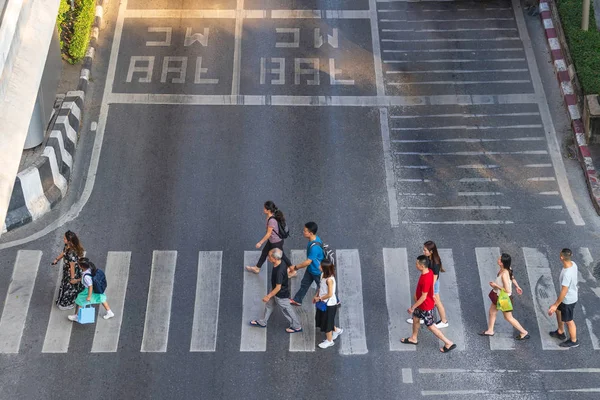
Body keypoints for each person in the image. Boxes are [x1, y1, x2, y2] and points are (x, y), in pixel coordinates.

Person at [401, 255, 456, 353]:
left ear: (422, 266)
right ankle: (414, 338)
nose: (415, 265)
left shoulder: (425, 279)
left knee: (430, 326)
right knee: (416, 318)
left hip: (425, 306)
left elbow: (423, 297)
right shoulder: (429, 272)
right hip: (421, 305)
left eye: (417, 264)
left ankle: (448, 343)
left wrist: (413, 307)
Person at [478, 253, 529, 340]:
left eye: (499, 259)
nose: (497, 260)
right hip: (498, 296)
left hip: (504, 299)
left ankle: (524, 332)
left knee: (508, 317)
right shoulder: (507, 268)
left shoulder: (504, 274)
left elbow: (507, 290)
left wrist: (495, 285)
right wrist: (517, 286)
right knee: (492, 312)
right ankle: (490, 330)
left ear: (502, 263)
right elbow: (512, 277)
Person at [249, 249, 302, 333]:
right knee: (269, 305)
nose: (267, 257)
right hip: (274, 290)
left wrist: (268, 296)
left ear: (275, 258)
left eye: (269, 256)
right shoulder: (282, 261)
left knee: (286, 310)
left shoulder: (279, 272)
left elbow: (278, 288)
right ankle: (263, 322)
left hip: (281, 295)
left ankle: (296, 326)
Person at [406, 241, 448, 328]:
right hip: (428, 282)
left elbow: (434, 278)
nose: (423, 251)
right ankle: (420, 316)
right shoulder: (428, 258)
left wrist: (430, 290)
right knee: (417, 297)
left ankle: (444, 321)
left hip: (433, 283)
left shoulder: (435, 263)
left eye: (425, 250)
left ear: (431, 251)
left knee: (436, 301)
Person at [246, 201, 292, 274]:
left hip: (276, 242)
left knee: (282, 256)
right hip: (272, 241)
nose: (263, 209)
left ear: (268, 210)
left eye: (264, 208)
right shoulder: (272, 216)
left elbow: (268, 234)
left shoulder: (272, 220)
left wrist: (260, 243)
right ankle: (257, 268)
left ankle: (292, 269)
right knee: (264, 252)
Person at [548, 248, 579, 348]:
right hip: (569, 297)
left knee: (569, 320)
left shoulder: (567, 274)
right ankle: (560, 332)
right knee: (558, 311)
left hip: (568, 300)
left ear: (561, 257)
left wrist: (555, 304)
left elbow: (564, 291)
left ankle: (574, 341)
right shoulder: (573, 264)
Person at [288, 222, 324, 306]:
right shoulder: (315, 239)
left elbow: (308, 262)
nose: (303, 232)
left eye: (305, 231)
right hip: (311, 269)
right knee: (304, 284)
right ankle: (297, 300)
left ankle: (334, 299)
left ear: (310, 233)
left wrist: (295, 267)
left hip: (317, 271)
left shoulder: (315, 247)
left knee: (323, 287)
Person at [68, 258, 114, 322]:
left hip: (89, 291)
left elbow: (90, 286)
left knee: (81, 300)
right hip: (96, 289)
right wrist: (77, 280)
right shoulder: (89, 270)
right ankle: (109, 312)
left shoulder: (86, 277)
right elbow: (84, 278)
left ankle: (77, 316)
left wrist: (89, 296)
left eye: (78, 264)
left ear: (81, 267)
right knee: (101, 299)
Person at [51, 230, 85, 310]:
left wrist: (72, 278)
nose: (63, 240)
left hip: (71, 273)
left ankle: (66, 304)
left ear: (69, 241)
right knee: (67, 286)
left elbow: (72, 266)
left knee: (69, 287)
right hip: (67, 270)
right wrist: (57, 259)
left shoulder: (71, 253)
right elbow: (64, 252)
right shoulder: (67, 246)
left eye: (65, 239)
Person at [314, 260, 342, 349]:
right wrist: (316, 295)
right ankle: (337, 330)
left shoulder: (329, 280)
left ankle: (330, 341)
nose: (319, 266)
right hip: (323, 302)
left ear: (325, 268)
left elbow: (330, 294)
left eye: (320, 265)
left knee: (326, 323)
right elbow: (321, 287)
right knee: (326, 320)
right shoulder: (323, 275)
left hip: (329, 304)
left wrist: (319, 298)